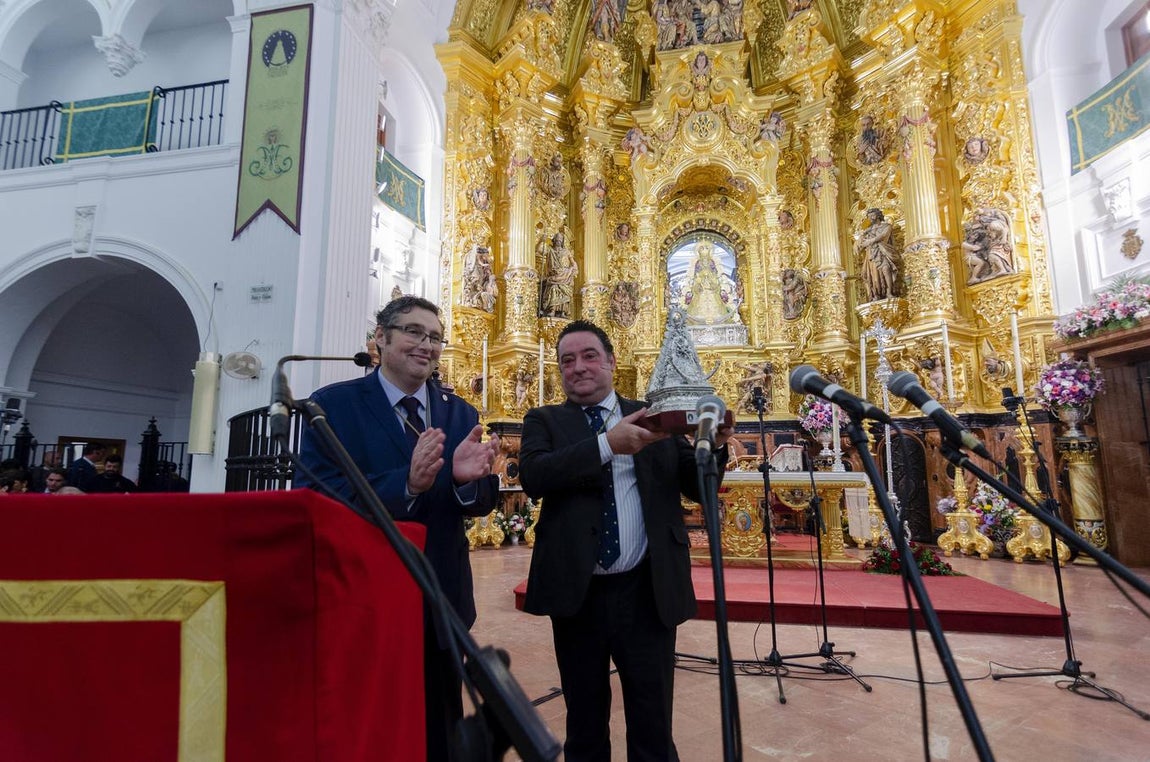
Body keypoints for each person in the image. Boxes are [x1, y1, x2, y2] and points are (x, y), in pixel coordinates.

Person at [296, 295, 500, 762]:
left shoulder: (460, 413)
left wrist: (465, 482)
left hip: (441, 597)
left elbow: (481, 500)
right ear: (381, 338)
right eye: (413, 331)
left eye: (435, 337)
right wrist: (405, 484)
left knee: (440, 726)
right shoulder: (333, 406)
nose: (426, 344)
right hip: (364, 595)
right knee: (369, 726)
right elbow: (317, 493)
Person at [519, 320, 730, 761]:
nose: (578, 367)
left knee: (653, 719)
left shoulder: (656, 415)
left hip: (646, 591)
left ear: (612, 361)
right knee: (584, 720)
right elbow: (535, 476)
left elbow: (697, 487)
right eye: (567, 360)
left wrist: (713, 447)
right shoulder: (545, 420)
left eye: (589, 356)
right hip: (578, 594)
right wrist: (607, 444)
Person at [856, 208, 898, 302]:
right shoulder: (867, 230)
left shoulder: (887, 226)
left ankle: (889, 292)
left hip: (883, 251)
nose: (871, 218)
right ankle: (876, 294)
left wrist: (870, 241)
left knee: (886, 269)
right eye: (869, 216)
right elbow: (861, 242)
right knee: (873, 274)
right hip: (871, 254)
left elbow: (883, 235)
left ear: (878, 215)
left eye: (872, 215)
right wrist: (860, 241)